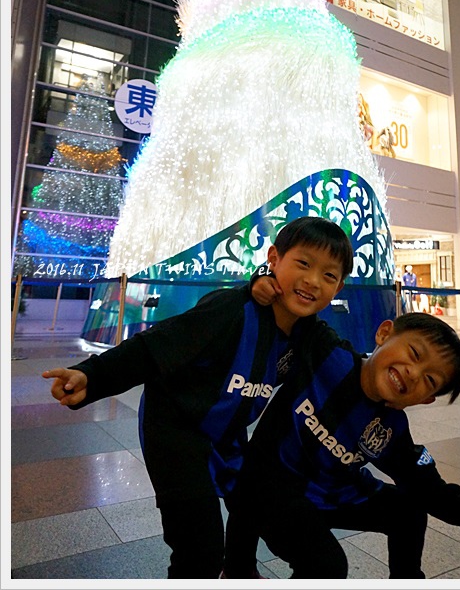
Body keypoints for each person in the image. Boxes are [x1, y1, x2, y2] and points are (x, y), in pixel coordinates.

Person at [42, 216, 353, 579]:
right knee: (199, 550)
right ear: (273, 258)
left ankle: (239, 571)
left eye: (329, 276)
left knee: (296, 537)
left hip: (228, 438)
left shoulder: (310, 336)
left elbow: (350, 366)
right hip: (175, 433)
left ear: (339, 287)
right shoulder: (232, 309)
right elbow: (157, 346)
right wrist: (92, 376)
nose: (313, 281)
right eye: (303, 263)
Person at [224, 304, 460, 579]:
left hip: (331, 492)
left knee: (408, 511)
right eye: (414, 353)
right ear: (384, 333)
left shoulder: (390, 428)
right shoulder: (325, 351)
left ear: (424, 399)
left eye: (429, 380)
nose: (414, 372)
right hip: (270, 484)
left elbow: (420, 481)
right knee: (326, 565)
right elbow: (289, 310)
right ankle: (237, 570)